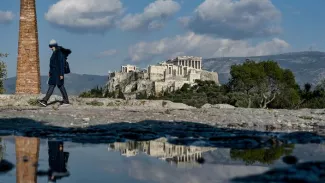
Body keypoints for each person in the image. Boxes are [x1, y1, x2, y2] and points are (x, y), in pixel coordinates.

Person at [38, 39, 70, 106]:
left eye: (51, 47)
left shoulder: (58, 53)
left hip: (57, 73)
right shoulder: (55, 52)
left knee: (52, 85)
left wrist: (61, 74)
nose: (50, 48)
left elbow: (60, 64)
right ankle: (66, 100)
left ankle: (45, 101)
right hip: (54, 73)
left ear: (54, 46)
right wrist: (50, 72)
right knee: (60, 86)